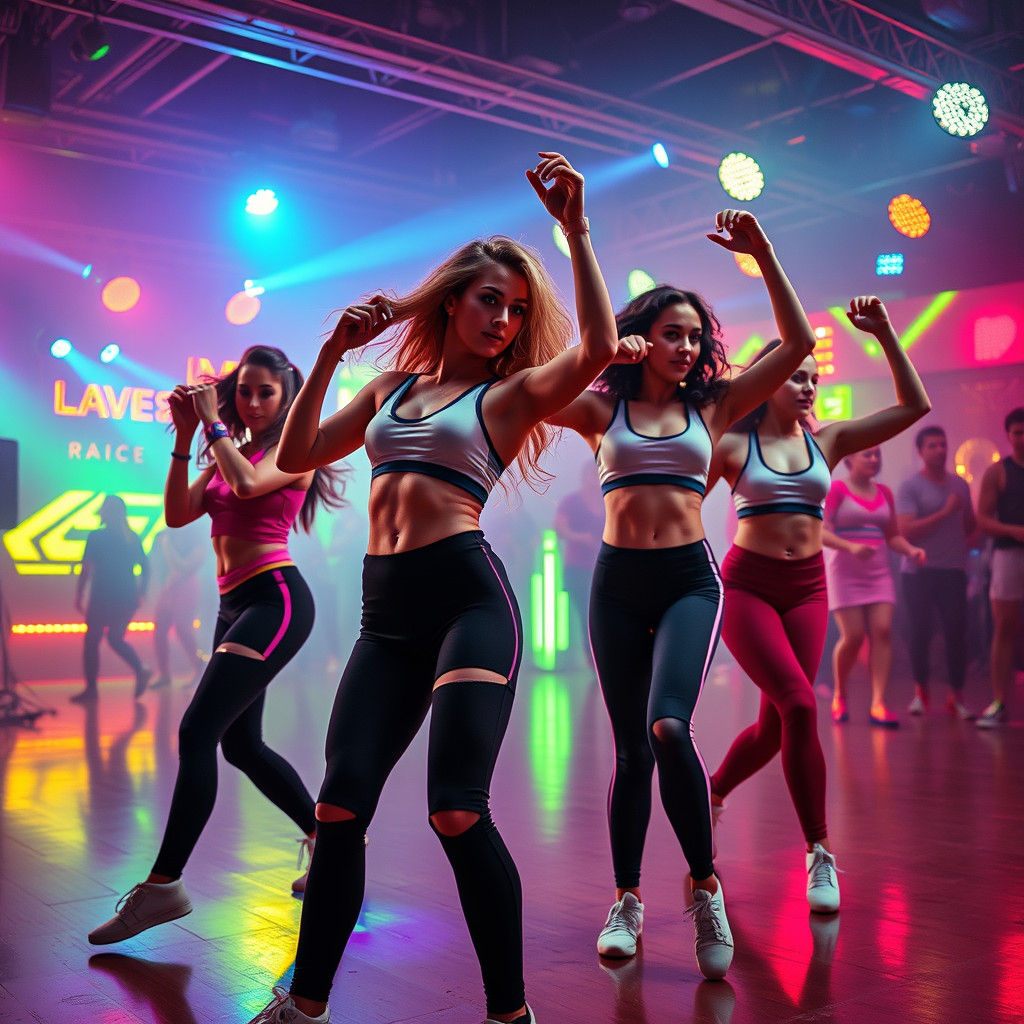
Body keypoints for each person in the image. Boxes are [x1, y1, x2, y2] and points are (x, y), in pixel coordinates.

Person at [243, 153, 627, 1024]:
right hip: (385, 616)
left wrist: (574, 229)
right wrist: (330, 353)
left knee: (455, 809)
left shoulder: (512, 395)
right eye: (490, 299)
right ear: (452, 301)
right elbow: (297, 455)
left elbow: (600, 349)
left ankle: (510, 1015)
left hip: (468, 603)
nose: (504, 319)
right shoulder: (391, 388)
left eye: (517, 309)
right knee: (338, 807)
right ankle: (304, 1005)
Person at [546, 209, 818, 980]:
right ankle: (627, 899)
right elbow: (529, 384)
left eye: (696, 336)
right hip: (617, 584)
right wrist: (598, 337)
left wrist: (763, 252)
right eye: (673, 334)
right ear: (642, 337)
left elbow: (797, 344)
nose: (688, 347)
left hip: (689, 582)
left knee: (669, 726)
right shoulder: (601, 409)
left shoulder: (715, 406)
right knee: (631, 750)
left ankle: (705, 887)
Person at [87, 345, 346, 945]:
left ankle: (164, 885)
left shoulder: (294, 451)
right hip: (234, 605)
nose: (253, 403)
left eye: (265, 393)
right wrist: (185, 437)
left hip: (276, 600)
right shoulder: (233, 450)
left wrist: (211, 424)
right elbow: (178, 514)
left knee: (197, 732)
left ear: (286, 398)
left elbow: (249, 485)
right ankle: (326, 841)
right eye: (244, 392)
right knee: (241, 745)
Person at [708, 296, 930, 916]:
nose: (807, 386)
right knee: (803, 703)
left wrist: (886, 334)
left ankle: (712, 792)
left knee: (778, 726)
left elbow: (915, 406)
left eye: (813, 378)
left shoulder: (828, 441)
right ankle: (820, 852)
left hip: (808, 588)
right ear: (769, 379)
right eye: (795, 376)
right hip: (748, 588)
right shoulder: (731, 444)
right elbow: (676, 501)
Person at [822, 446, 925, 727]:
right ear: (849, 458)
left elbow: (893, 536)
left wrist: (911, 550)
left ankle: (878, 702)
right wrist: (851, 547)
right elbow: (820, 532)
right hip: (844, 572)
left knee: (882, 631)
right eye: (867, 454)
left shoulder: (884, 492)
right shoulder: (837, 490)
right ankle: (840, 693)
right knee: (853, 636)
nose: (874, 459)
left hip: (878, 572)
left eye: (878, 454)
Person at [895, 425, 976, 718]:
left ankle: (957, 696)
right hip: (919, 570)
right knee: (920, 632)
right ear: (920, 451)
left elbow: (970, 526)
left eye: (943, 444)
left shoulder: (960, 484)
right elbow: (906, 531)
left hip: (953, 569)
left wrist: (965, 540)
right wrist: (945, 512)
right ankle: (921, 693)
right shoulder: (910, 487)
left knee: (956, 632)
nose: (940, 450)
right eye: (932, 446)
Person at [72, 495, 151, 704]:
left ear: (105, 513)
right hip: (125, 597)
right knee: (115, 639)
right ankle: (140, 670)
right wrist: (141, 593)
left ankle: (92, 689)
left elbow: (86, 568)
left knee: (92, 641)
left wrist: (79, 594)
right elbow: (146, 568)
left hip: (102, 596)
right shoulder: (131, 537)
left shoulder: (97, 536)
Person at [975, 407, 1024, 727]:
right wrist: (1014, 531)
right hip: (1009, 555)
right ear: (1008, 435)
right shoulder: (998, 472)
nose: (1022, 438)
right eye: (1018, 432)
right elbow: (982, 519)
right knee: (1004, 627)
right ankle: (999, 702)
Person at [553, 460, 605, 667]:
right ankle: (594, 662)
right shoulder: (572, 501)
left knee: (604, 615)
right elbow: (559, 529)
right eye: (591, 474)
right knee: (587, 615)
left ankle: (604, 660)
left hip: (604, 568)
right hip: (577, 569)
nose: (595, 479)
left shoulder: (608, 500)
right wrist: (580, 537)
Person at [149, 520, 207, 689]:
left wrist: (166, 544)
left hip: (186, 587)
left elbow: (185, 567)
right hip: (169, 586)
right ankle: (164, 674)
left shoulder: (196, 538)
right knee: (159, 631)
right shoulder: (166, 536)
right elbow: (155, 565)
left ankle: (199, 666)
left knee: (183, 630)